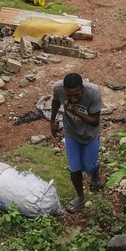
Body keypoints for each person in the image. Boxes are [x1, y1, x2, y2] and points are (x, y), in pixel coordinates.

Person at [50, 72, 103, 213]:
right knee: (75, 168)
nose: (73, 98)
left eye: (77, 95)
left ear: (83, 89)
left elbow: (95, 121)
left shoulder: (93, 93)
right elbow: (55, 101)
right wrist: (52, 121)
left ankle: (95, 171)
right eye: (69, 95)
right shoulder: (58, 88)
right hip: (71, 132)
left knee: (89, 166)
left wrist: (74, 111)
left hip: (90, 135)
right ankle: (80, 197)